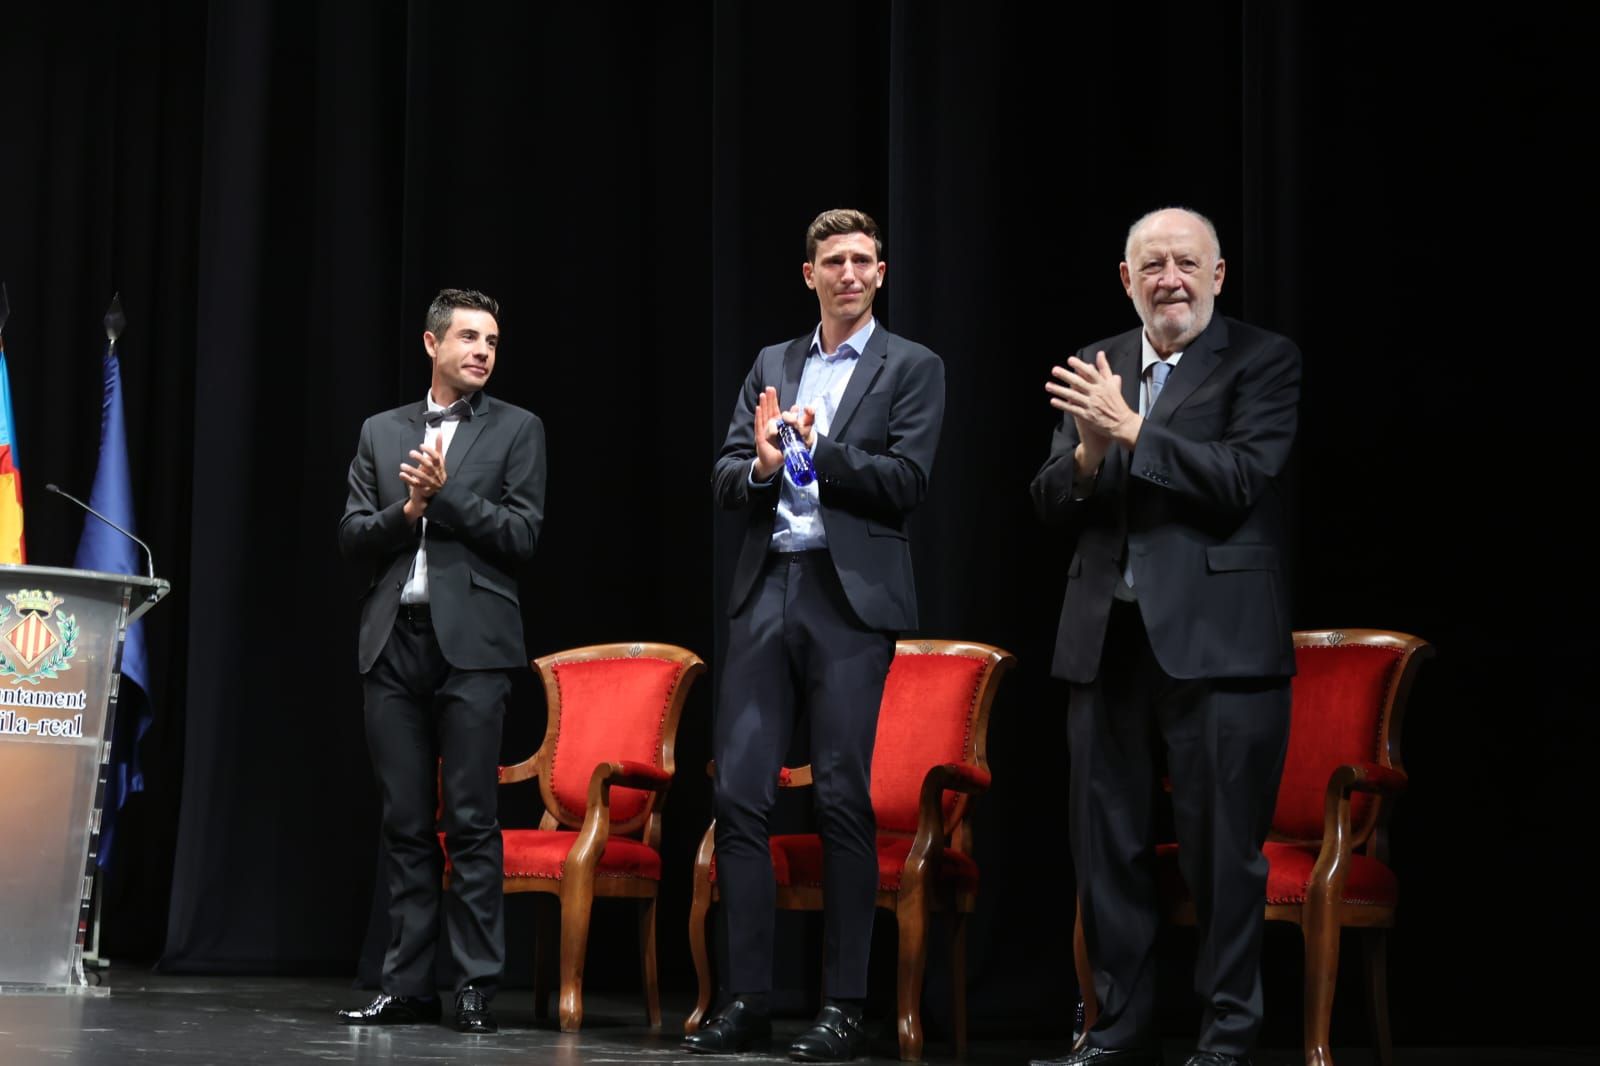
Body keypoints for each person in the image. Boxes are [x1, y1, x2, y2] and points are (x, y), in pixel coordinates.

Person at [1029, 208, 1301, 1066]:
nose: (1170, 279)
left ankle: (1226, 1038)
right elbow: (1047, 500)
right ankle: (1114, 1031)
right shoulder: (1101, 362)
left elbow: (1238, 479)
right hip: (1105, 638)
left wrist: (1133, 429)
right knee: (1105, 848)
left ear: (1218, 276)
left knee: (1224, 855)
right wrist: (1081, 456)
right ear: (1127, 278)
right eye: (1153, 265)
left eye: (1188, 263)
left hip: (1219, 646)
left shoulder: (1263, 360)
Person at [684, 209, 945, 1062]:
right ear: (809, 275)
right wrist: (762, 463)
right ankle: (749, 999)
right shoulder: (772, 363)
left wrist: (820, 449)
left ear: (882, 272)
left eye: (863, 260)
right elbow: (728, 474)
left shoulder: (912, 366)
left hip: (849, 598)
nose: (849, 273)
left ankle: (844, 1006)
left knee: (841, 796)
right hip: (767, 588)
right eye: (832, 260)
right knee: (741, 797)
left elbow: (906, 482)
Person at [337, 288, 546, 1035]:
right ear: (433, 345)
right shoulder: (381, 431)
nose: (483, 350)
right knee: (402, 821)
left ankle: (475, 986)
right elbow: (354, 535)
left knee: (470, 819)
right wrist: (409, 513)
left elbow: (523, 535)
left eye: (491, 339)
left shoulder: (519, 430)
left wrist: (447, 497)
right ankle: (407, 983)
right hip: (394, 640)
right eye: (468, 337)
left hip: (476, 647)